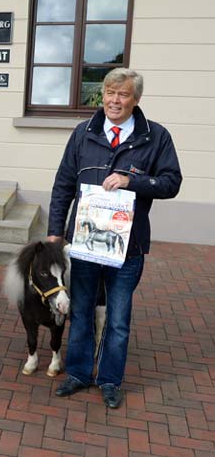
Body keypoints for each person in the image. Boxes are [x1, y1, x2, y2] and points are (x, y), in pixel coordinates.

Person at [48, 68, 182, 408]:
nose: (114, 100)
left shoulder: (156, 137)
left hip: (128, 249)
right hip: (83, 245)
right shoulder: (83, 134)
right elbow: (63, 185)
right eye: (109, 92)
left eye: (123, 94)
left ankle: (109, 380)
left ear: (136, 100)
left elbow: (171, 182)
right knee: (81, 312)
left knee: (118, 319)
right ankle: (78, 374)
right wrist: (54, 232)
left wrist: (131, 181)